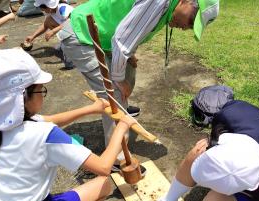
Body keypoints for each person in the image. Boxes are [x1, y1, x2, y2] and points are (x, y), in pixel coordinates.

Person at [0, 49, 135, 201]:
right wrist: (122, 127)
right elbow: (104, 167)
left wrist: (91, 109)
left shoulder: (3, 124)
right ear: (23, 96)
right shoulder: (45, 134)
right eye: (41, 90)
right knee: (104, 186)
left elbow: (50, 119)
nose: (44, 93)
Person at [58, 0, 219, 172]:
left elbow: (132, 28)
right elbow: (121, 40)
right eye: (191, 21)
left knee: (128, 72)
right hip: (82, 34)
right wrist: (118, 79)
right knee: (113, 94)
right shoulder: (158, 2)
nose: (187, 28)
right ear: (186, 1)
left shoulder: (168, 9)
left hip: (104, 35)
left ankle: (122, 110)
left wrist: (129, 56)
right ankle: (117, 157)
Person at [25, 0, 75, 69]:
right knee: (48, 20)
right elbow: (45, 25)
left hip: (79, 32)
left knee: (63, 56)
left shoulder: (63, 9)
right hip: (70, 31)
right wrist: (33, 36)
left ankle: (73, 57)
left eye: (44, 10)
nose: (43, 11)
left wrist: (53, 31)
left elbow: (70, 23)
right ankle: (67, 45)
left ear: (49, 7)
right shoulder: (51, 12)